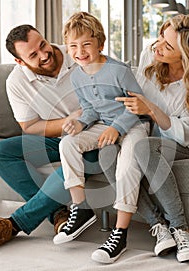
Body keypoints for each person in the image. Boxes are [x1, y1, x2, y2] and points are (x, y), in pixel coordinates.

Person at [100, 14, 189, 263]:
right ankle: (159, 227)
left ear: (188, 56)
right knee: (107, 152)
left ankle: (180, 228)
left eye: (167, 46)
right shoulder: (150, 55)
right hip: (140, 136)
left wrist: (151, 109)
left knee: (144, 148)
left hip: (174, 145)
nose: (157, 46)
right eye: (160, 37)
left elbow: (184, 133)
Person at [0, 24, 101, 247]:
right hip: (58, 136)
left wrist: (83, 121)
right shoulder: (16, 82)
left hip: (95, 138)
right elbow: (30, 126)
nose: (45, 55)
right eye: (33, 55)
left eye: (43, 45)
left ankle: (16, 223)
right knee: (1, 153)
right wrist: (67, 123)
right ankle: (58, 215)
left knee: (74, 153)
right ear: (20, 61)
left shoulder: (77, 53)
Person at [53, 11, 150, 263]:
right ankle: (81, 209)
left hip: (133, 125)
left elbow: (138, 105)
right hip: (102, 125)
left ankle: (120, 233)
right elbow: (90, 109)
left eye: (86, 43)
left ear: (100, 44)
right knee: (67, 144)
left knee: (127, 166)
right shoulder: (76, 75)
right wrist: (80, 122)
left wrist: (117, 128)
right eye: (73, 46)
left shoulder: (119, 70)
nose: (80, 51)